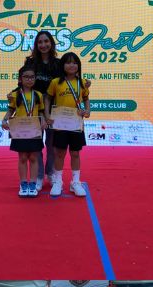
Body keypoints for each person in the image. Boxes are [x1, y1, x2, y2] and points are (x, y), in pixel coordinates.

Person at [45, 52, 92, 198]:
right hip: (60, 124)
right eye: (68, 62)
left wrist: (88, 110)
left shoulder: (82, 83)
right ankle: (58, 182)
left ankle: (75, 182)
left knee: (75, 153)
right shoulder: (56, 82)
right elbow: (47, 99)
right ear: (62, 65)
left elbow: (86, 98)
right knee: (59, 153)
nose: (72, 65)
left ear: (78, 65)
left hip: (76, 123)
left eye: (75, 62)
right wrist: (47, 115)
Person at [22, 31, 62, 190]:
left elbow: (66, 83)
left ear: (51, 43)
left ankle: (50, 173)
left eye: (46, 41)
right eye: (40, 42)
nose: (43, 45)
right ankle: (38, 176)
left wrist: (84, 83)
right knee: (36, 145)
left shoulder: (59, 63)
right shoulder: (30, 62)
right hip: (34, 109)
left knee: (52, 145)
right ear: (36, 45)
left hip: (53, 111)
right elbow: (23, 82)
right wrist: (14, 94)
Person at [2, 65, 48, 197]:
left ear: (35, 79)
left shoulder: (38, 94)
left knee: (34, 157)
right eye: (26, 77)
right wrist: (4, 120)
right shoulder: (15, 95)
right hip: (19, 130)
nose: (29, 79)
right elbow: (11, 110)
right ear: (20, 79)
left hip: (35, 130)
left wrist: (44, 121)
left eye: (32, 77)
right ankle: (23, 184)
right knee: (22, 157)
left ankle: (32, 183)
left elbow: (41, 111)